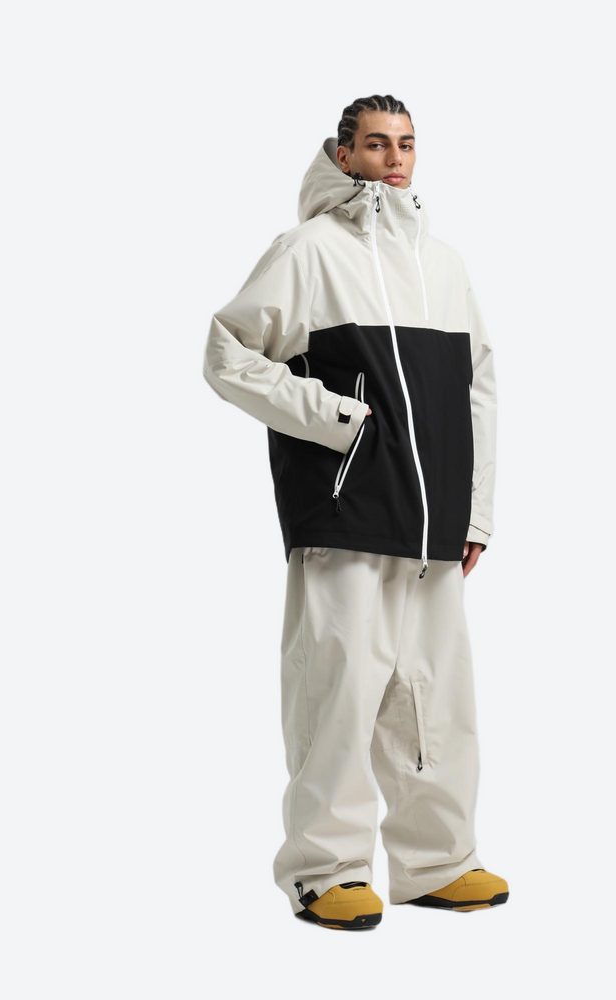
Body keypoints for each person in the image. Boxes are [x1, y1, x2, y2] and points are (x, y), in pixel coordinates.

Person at [203, 94, 504, 930]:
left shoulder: (443, 263)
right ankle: (324, 871)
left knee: (434, 701)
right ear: (344, 156)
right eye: (376, 144)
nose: (393, 159)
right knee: (336, 694)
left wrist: (474, 512)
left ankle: (438, 862)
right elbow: (228, 351)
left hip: (432, 526)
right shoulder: (307, 251)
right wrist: (342, 421)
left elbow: (478, 387)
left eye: (405, 143)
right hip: (344, 514)